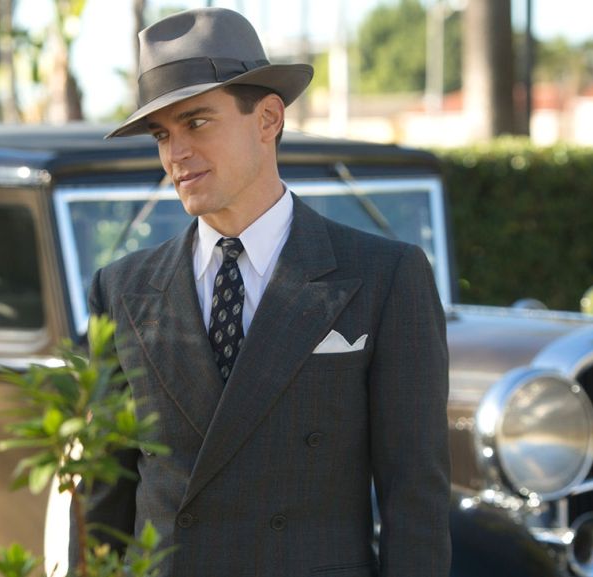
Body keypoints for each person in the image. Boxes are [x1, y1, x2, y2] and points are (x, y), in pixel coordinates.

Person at [74, 7, 451, 577]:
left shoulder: (385, 275)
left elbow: (415, 497)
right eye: (162, 134)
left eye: (197, 122)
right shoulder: (121, 289)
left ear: (269, 118)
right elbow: (103, 502)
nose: (176, 154)